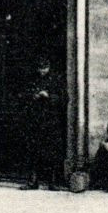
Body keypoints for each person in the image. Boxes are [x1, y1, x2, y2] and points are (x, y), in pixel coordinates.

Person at [17, 59, 66, 190]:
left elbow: (64, 99)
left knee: (52, 153)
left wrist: (48, 96)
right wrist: (33, 96)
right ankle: (33, 181)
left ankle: (52, 182)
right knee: (33, 152)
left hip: (51, 122)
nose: (42, 71)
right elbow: (21, 95)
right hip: (35, 121)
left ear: (49, 67)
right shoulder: (31, 80)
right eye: (40, 68)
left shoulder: (56, 80)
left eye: (44, 68)